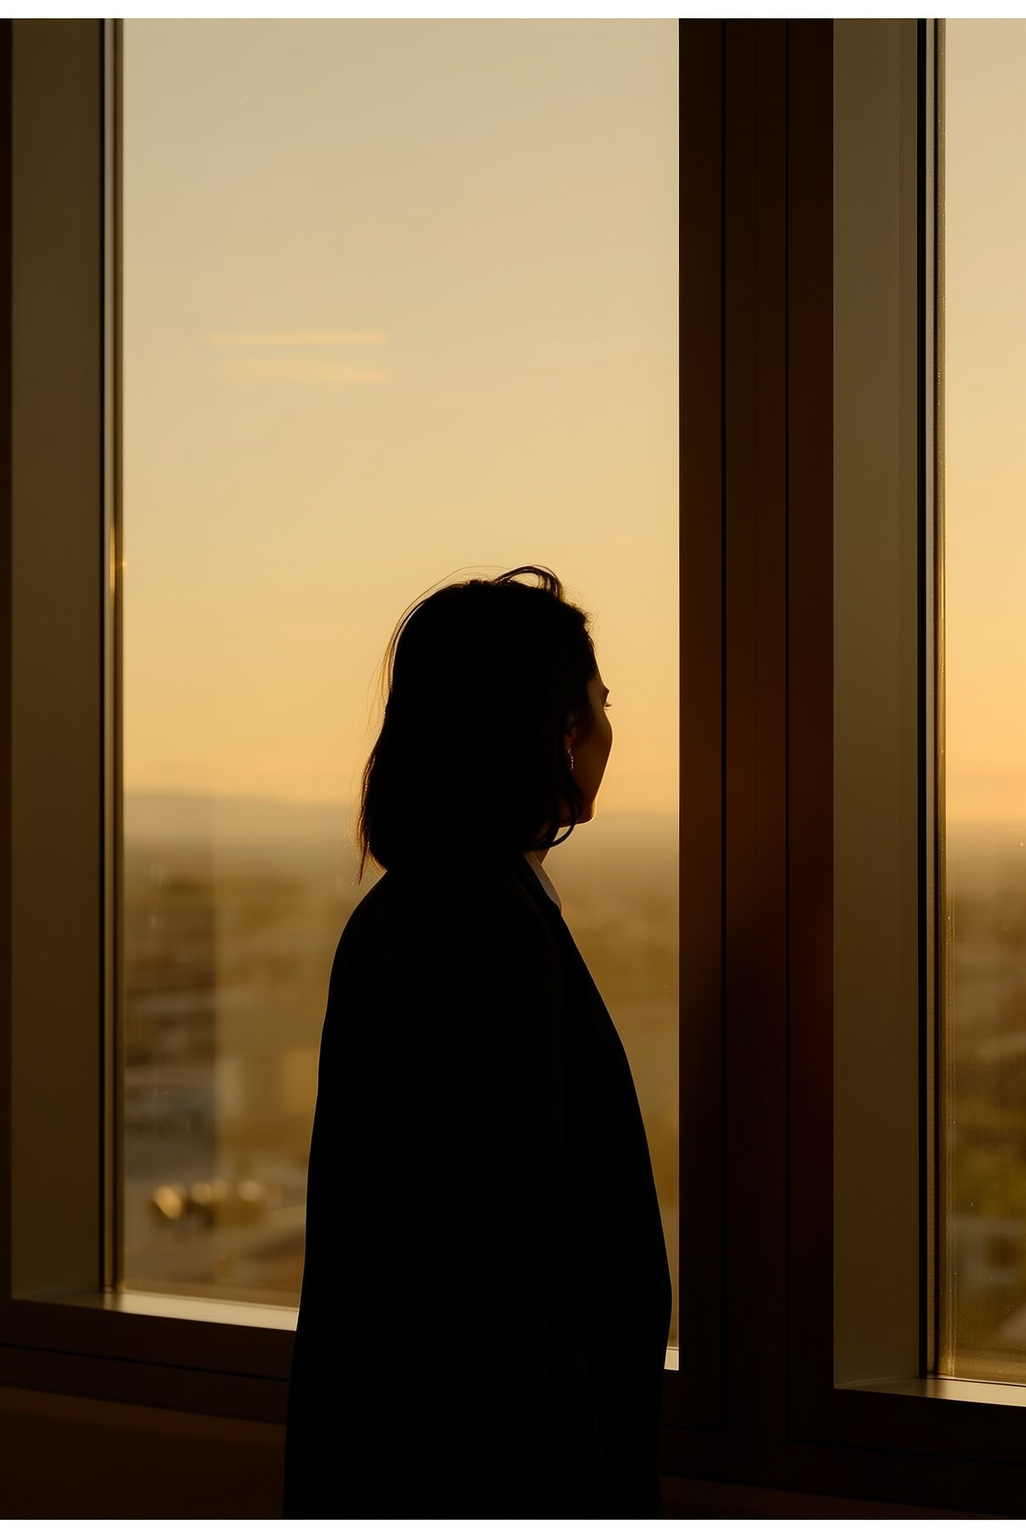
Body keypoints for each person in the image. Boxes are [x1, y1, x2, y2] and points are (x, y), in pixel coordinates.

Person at [282, 567, 672, 1518]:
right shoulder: (485, 933)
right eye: (601, 702)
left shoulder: (408, 915)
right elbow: (499, 1266)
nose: (609, 728)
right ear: (561, 732)